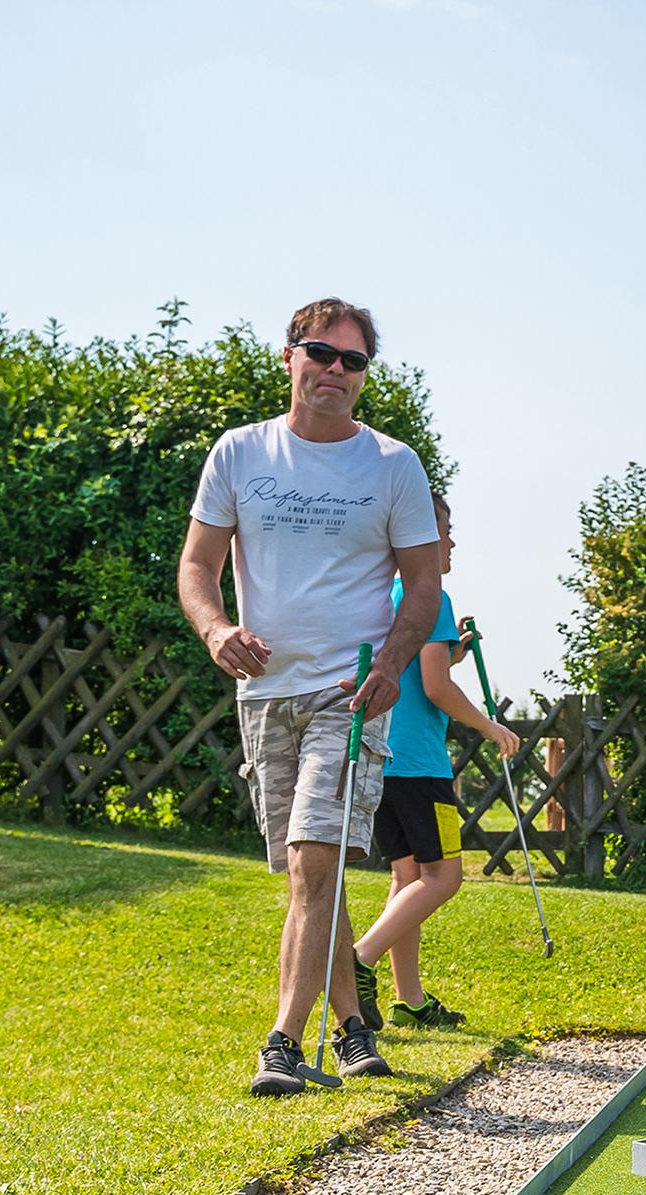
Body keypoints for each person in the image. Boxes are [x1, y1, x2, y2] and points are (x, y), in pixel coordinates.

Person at [177, 296, 443, 1092]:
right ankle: (355, 1028)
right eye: (321, 353)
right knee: (310, 871)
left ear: (363, 376)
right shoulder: (239, 452)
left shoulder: (393, 465)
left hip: (349, 694)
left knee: (313, 858)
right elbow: (197, 566)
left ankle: (282, 1042)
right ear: (289, 357)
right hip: (265, 696)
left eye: (352, 360)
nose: (335, 370)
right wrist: (216, 630)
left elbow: (423, 585)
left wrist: (390, 664)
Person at [349, 494, 520, 1030]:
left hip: (380, 756)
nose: (451, 542)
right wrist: (488, 726)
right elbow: (436, 686)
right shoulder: (432, 596)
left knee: (408, 878)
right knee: (444, 877)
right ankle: (357, 960)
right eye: (445, 531)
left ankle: (411, 1000)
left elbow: (420, 666)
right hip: (420, 764)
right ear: (419, 537)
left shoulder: (386, 595)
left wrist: (455, 648)